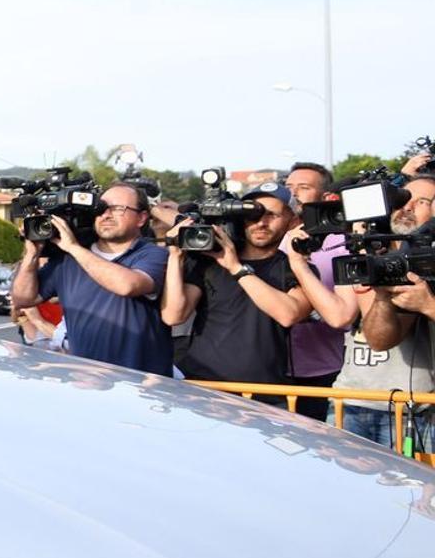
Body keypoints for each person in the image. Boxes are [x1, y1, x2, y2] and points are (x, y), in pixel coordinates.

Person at [11, 182, 172, 375]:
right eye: (100, 209)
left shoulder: (153, 254)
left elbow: (128, 285)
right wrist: (32, 254)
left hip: (141, 382)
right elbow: (23, 299)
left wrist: (73, 248)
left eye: (117, 209)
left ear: (142, 218)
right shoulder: (67, 260)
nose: (106, 215)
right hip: (87, 380)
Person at [162, 182, 313, 387]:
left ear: (292, 221)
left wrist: (235, 267)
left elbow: (289, 315)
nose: (261, 222)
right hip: (205, 386)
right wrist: (175, 256)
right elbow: (173, 315)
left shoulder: (297, 267)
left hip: (264, 391)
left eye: (272, 215)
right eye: (252, 214)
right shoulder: (208, 260)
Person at [331, 175, 435, 449]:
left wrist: (427, 304)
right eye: (402, 199)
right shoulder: (380, 255)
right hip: (355, 401)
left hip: (417, 408)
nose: (407, 206)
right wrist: (382, 294)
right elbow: (379, 340)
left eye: (422, 201)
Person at [281, 162, 350, 420]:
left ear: (326, 197)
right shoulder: (270, 238)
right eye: (288, 186)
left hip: (323, 371)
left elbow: (344, 316)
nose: (293, 193)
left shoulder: (342, 244)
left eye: (303, 187)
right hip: (273, 371)